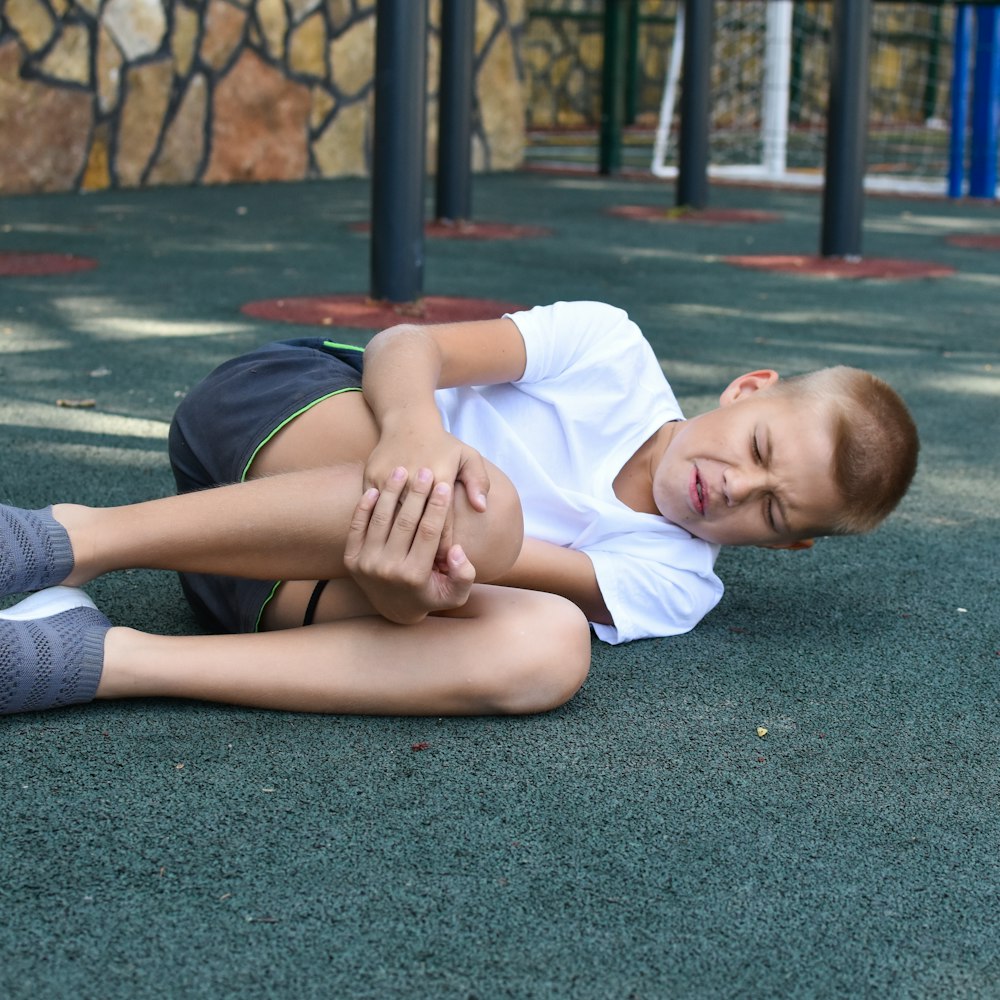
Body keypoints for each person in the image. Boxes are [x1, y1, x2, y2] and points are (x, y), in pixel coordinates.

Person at [0, 301, 918, 718]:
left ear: (788, 545)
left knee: (548, 648)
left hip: (287, 579)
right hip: (290, 413)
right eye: (758, 450)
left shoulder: (677, 584)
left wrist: (406, 594)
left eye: (771, 512)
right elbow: (408, 346)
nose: (737, 488)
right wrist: (413, 432)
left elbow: (467, 579)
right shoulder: (612, 350)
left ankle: (105, 660)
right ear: (748, 390)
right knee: (481, 509)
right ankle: (70, 542)